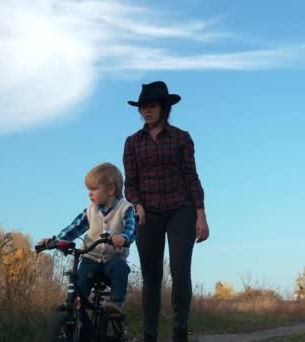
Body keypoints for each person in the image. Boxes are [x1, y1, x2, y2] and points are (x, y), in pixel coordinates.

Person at [123, 81, 210, 342]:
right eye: (142, 107)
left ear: (163, 108)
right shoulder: (132, 143)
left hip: (180, 210)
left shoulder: (182, 138)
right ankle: (150, 334)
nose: (146, 111)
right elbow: (130, 182)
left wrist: (201, 214)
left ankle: (180, 330)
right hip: (147, 212)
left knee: (180, 270)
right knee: (151, 276)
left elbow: (191, 177)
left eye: (151, 106)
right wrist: (137, 204)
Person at [38, 162, 136, 316]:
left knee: (120, 268)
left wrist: (123, 237)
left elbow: (131, 228)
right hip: (91, 259)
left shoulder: (125, 208)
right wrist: (56, 240)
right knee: (79, 285)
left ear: (111, 189)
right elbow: (75, 227)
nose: (89, 194)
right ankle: (77, 319)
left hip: (113, 260)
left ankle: (116, 303)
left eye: (94, 189)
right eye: (88, 190)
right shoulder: (90, 210)